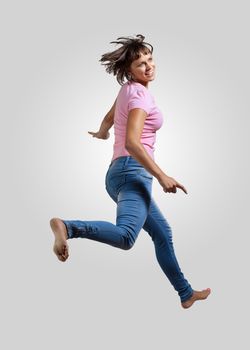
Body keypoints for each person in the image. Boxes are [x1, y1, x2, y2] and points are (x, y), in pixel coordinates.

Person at [50, 34, 211, 309]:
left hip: (119, 174)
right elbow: (133, 143)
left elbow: (112, 116)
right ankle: (68, 227)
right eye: (140, 64)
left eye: (150, 59)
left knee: (162, 233)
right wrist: (162, 176)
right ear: (129, 70)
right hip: (133, 171)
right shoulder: (141, 96)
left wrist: (102, 131)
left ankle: (185, 294)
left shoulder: (128, 89)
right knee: (126, 237)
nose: (149, 66)